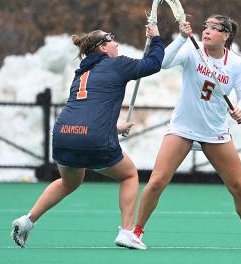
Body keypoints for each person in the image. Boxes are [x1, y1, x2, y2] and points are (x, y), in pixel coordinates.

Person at [11, 24, 163, 250]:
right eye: (112, 39)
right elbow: (153, 64)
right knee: (129, 175)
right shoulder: (117, 65)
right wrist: (156, 38)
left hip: (63, 134)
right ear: (102, 48)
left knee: (69, 181)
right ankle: (126, 232)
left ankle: (27, 220)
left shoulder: (82, 72)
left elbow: (88, 112)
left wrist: (113, 128)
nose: (117, 43)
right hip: (92, 137)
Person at [133, 15, 241, 249]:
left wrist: (240, 109)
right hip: (183, 128)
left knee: (238, 187)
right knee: (157, 181)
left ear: (226, 35)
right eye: (206, 26)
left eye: (214, 28)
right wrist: (181, 38)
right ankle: (136, 231)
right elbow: (162, 63)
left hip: (215, 132)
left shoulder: (235, 64)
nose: (207, 31)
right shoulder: (191, 50)